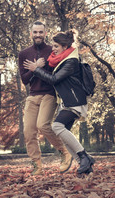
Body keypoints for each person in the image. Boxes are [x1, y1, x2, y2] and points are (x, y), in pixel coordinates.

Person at [24, 29, 95, 174]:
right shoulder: (63, 60)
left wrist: (36, 69)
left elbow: (54, 79)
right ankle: (85, 166)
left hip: (75, 102)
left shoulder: (71, 61)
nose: (53, 49)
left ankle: (84, 156)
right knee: (64, 134)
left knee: (57, 126)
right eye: (53, 46)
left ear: (64, 46)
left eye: (56, 46)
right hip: (68, 102)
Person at [18, 21, 73, 175]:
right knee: (29, 131)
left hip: (49, 93)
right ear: (31, 34)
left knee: (43, 125)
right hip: (32, 95)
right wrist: (36, 67)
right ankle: (37, 164)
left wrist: (38, 68)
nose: (38, 35)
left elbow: (57, 75)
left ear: (45, 33)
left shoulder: (52, 50)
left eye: (40, 32)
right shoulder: (24, 54)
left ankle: (64, 152)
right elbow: (24, 80)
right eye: (35, 32)